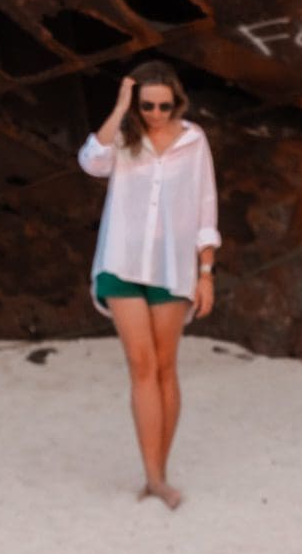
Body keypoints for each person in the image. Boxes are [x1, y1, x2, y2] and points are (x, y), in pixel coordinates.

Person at [78, 60, 221, 508]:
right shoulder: (122, 137)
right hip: (121, 263)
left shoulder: (194, 141)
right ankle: (154, 476)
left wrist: (205, 273)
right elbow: (91, 162)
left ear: (176, 101)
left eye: (164, 105)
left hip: (173, 268)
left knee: (165, 368)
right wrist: (121, 108)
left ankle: (161, 467)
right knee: (140, 368)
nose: (156, 114)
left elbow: (206, 208)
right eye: (147, 105)